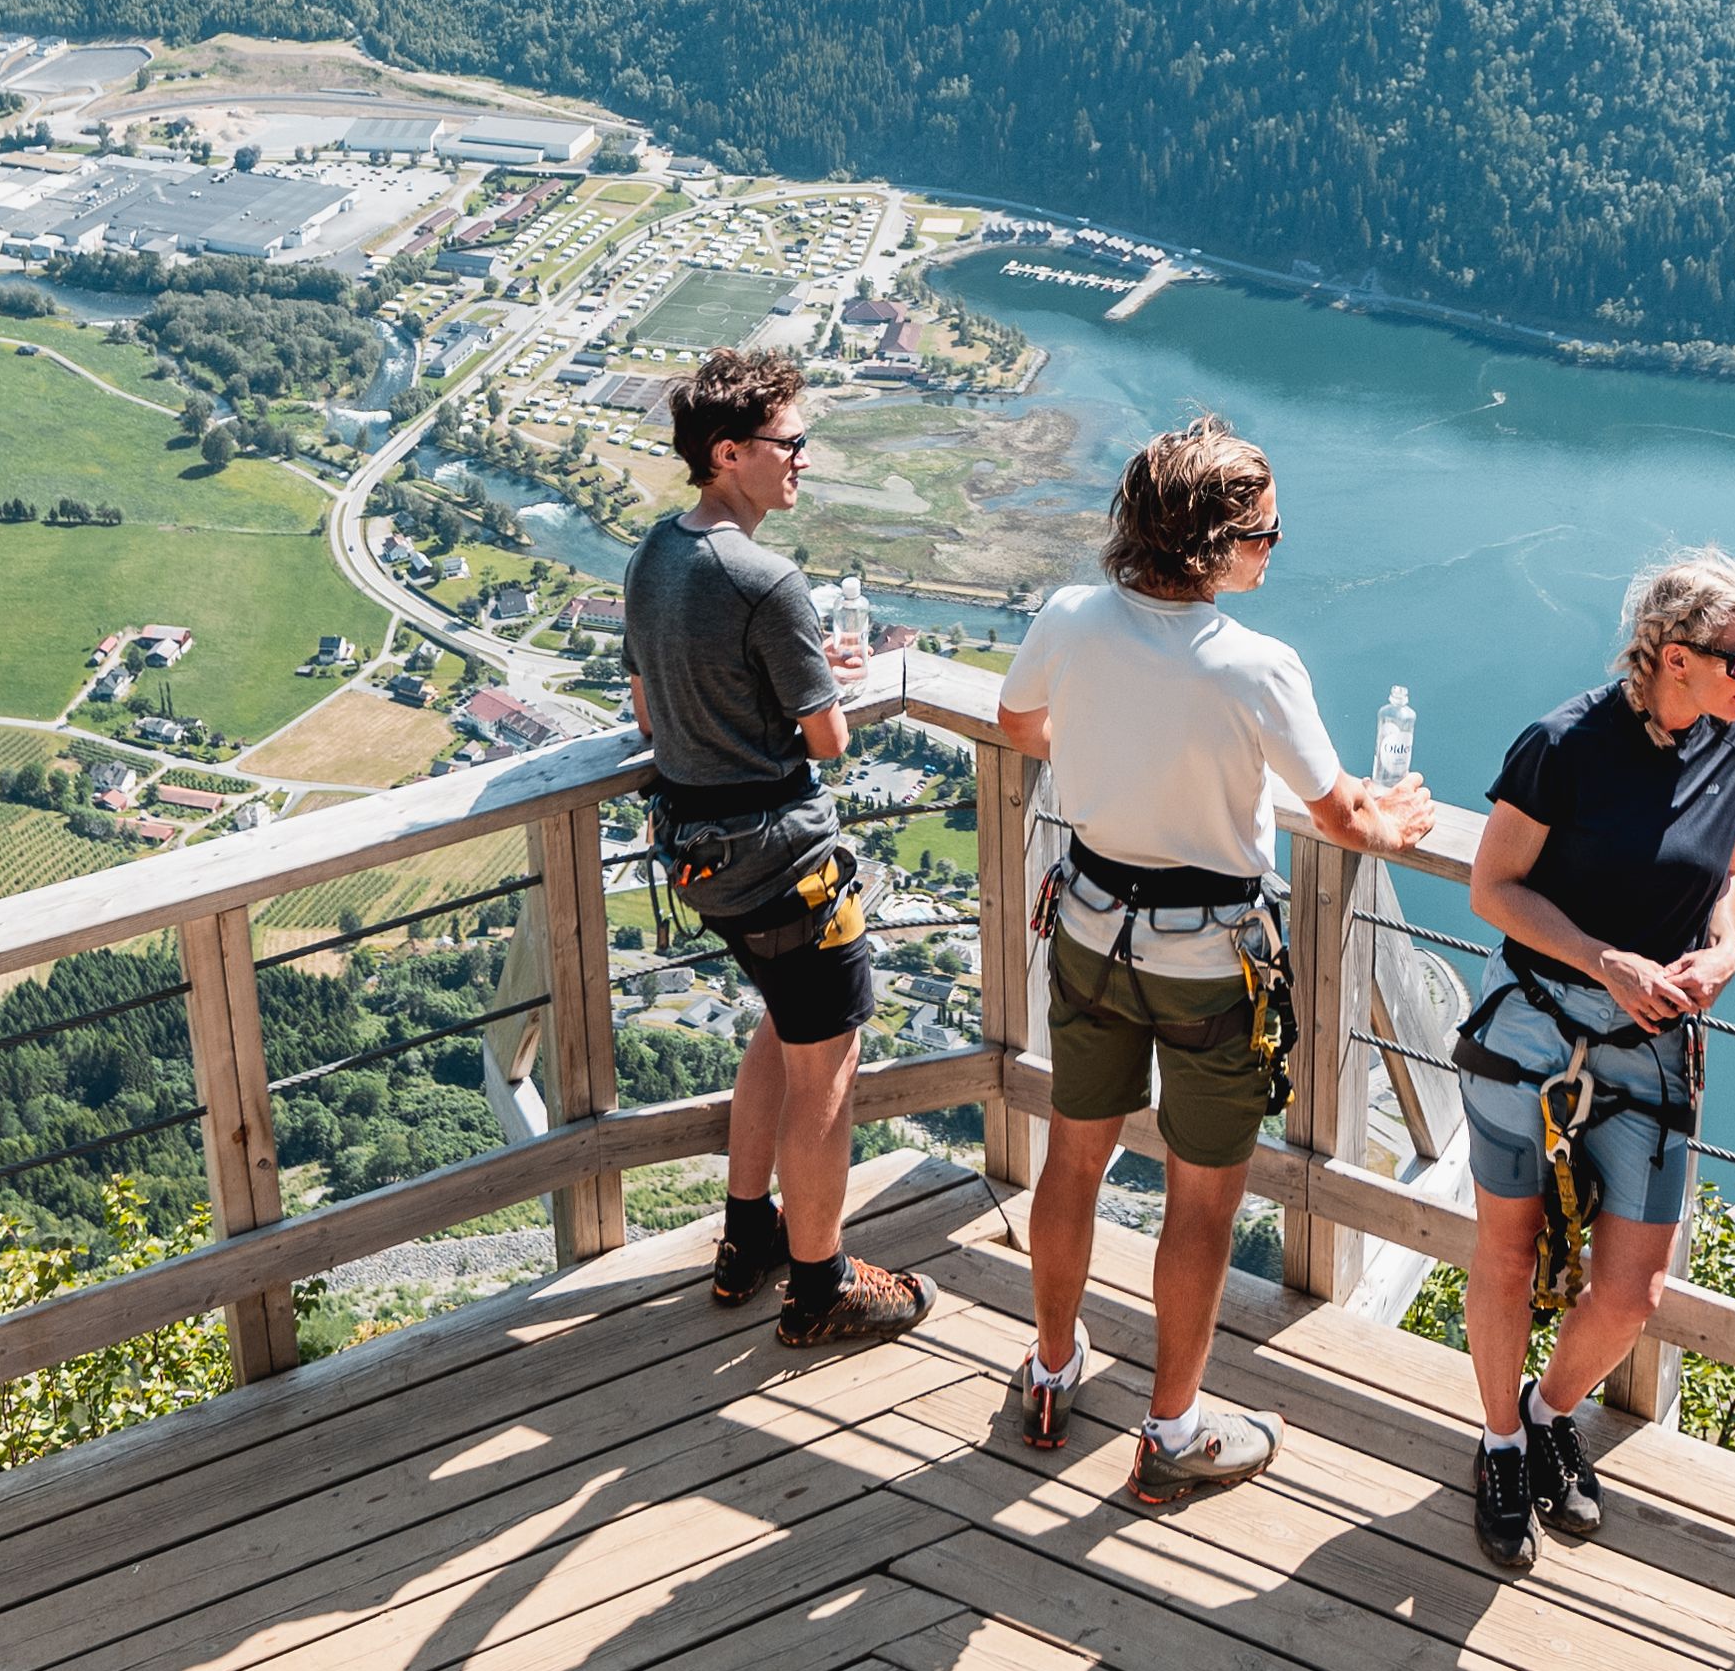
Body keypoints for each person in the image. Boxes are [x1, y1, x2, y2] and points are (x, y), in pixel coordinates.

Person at [984, 427, 1456, 1504]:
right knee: (1199, 1204)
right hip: (1210, 963)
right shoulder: (1256, 666)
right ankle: (1172, 1431)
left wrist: (1116, 761)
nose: (1273, 550)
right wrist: (1395, 818)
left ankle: (1052, 1373)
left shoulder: (1070, 618)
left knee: (1072, 1161)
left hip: (1090, 930)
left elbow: (1019, 723)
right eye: (1263, 533)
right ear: (1210, 543)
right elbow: (1340, 813)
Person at [1448, 549, 1735, 1576]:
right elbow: (1492, 888)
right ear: (1674, 655)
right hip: (1536, 1032)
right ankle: (1500, 1443)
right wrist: (1602, 958)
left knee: (1631, 1290)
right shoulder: (1561, 744)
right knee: (1506, 1254)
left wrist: (1724, 949)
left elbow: (1726, 878)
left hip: (1655, 1046)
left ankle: (1549, 1413)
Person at [623, 344, 921, 1353]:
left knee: (780, 1031)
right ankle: (820, 1282)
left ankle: (745, 1237)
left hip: (700, 855)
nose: (803, 458)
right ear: (727, 452)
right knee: (827, 1071)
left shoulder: (654, 554)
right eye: (789, 443)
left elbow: (649, 704)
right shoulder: (765, 578)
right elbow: (827, 739)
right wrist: (823, 681)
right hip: (784, 862)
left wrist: (787, 676)